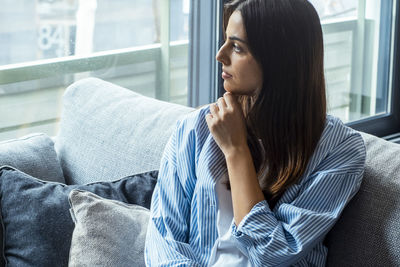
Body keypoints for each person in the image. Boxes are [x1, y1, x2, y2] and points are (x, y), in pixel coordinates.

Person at [144, 0, 366, 266]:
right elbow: (164, 246)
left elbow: (272, 254)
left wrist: (236, 151)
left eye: (237, 47)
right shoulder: (193, 131)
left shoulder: (338, 151)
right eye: (226, 40)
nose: (220, 55)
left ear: (280, 60)